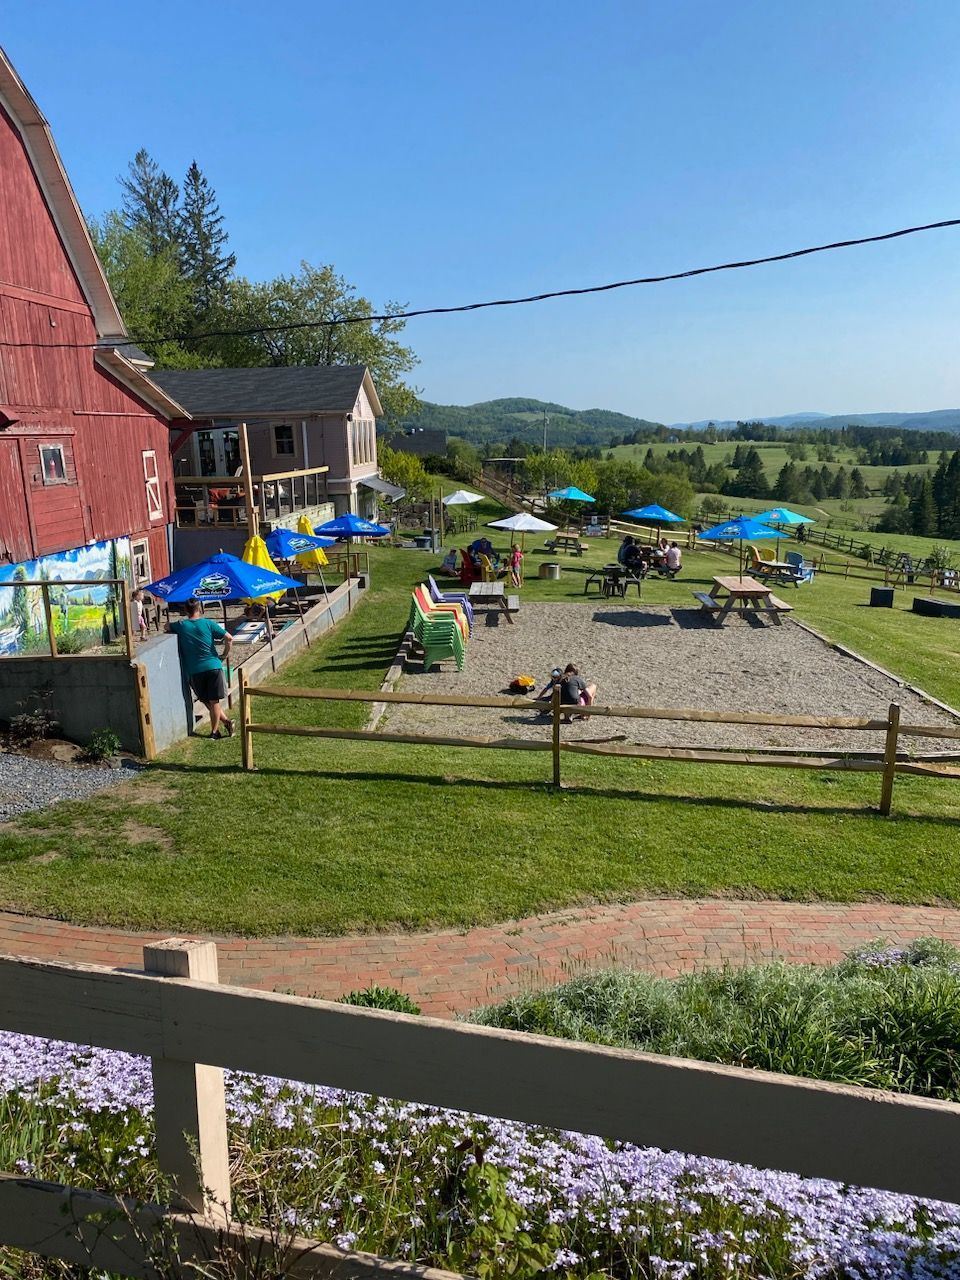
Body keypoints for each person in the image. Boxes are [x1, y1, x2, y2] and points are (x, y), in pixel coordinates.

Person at [167, 597, 234, 739]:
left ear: (186, 610)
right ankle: (224, 725)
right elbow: (229, 638)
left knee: (207, 700)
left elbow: (166, 626)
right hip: (213, 666)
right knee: (213, 701)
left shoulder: (181, 625)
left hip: (195, 670)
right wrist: (224, 654)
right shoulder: (208, 623)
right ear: (200, 609)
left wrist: (175, 623)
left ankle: (215, 731)